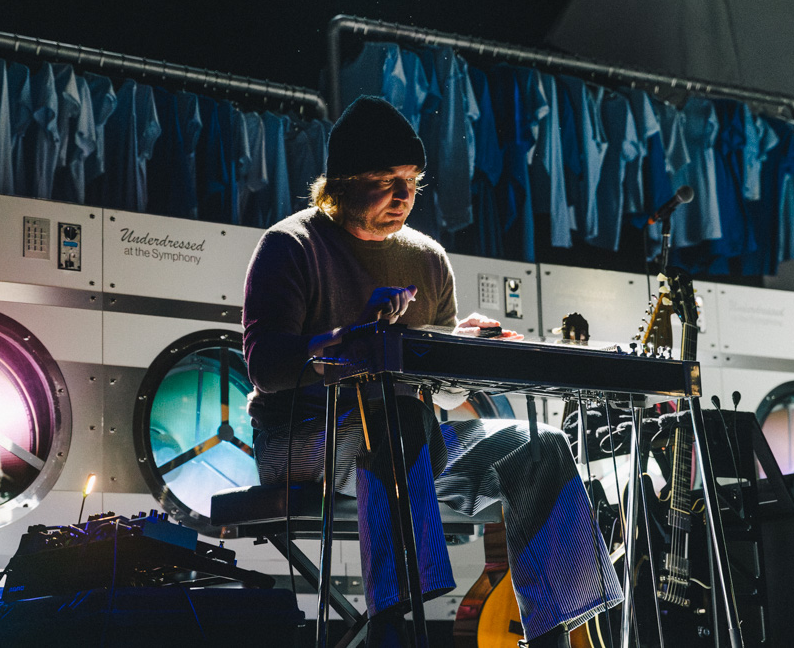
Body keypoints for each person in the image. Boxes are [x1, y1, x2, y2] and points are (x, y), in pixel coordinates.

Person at [243, 96, 622, 648]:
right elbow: (267, 367)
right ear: (343, 180)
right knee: (397, 418)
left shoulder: (427, 258)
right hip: (303, 438)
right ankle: (397, 629)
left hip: (410, 439)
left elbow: (444, 399)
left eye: (413, 181)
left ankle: (553, 634)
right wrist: (353, 341)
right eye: (387, 179)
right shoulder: (290, 246)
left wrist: (458, 350)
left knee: (539, 445)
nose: (405, 196)